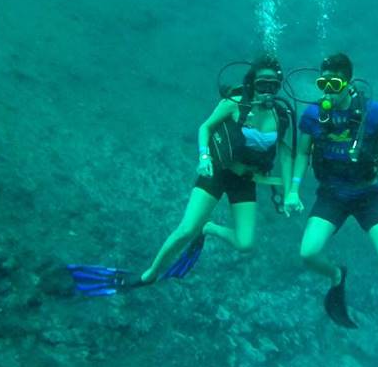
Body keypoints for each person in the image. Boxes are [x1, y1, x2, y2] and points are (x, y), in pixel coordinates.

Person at [68, 56, 294, 296]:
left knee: (245, 244)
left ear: (278, 86)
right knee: (186, 230)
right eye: (262, 84)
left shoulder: (280, 116)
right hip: (217, 171)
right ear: (251, 83)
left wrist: (292, 191)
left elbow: (287, 154)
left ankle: (208, 228)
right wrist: (204, 157)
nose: (267, 91)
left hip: (245, 180)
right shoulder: (234, 103)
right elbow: (205, 128)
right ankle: (149, 274)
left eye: (273, 85)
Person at [284, 53, 378, 365]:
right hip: (332, 195)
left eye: (333, 84)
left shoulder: (373, 113)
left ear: (347, 82)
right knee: (308, 253)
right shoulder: (312, 116)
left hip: (368, 196)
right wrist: (293, 190)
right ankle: (337, 275)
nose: (327, 91)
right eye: (323, 84)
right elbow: (302, 155)